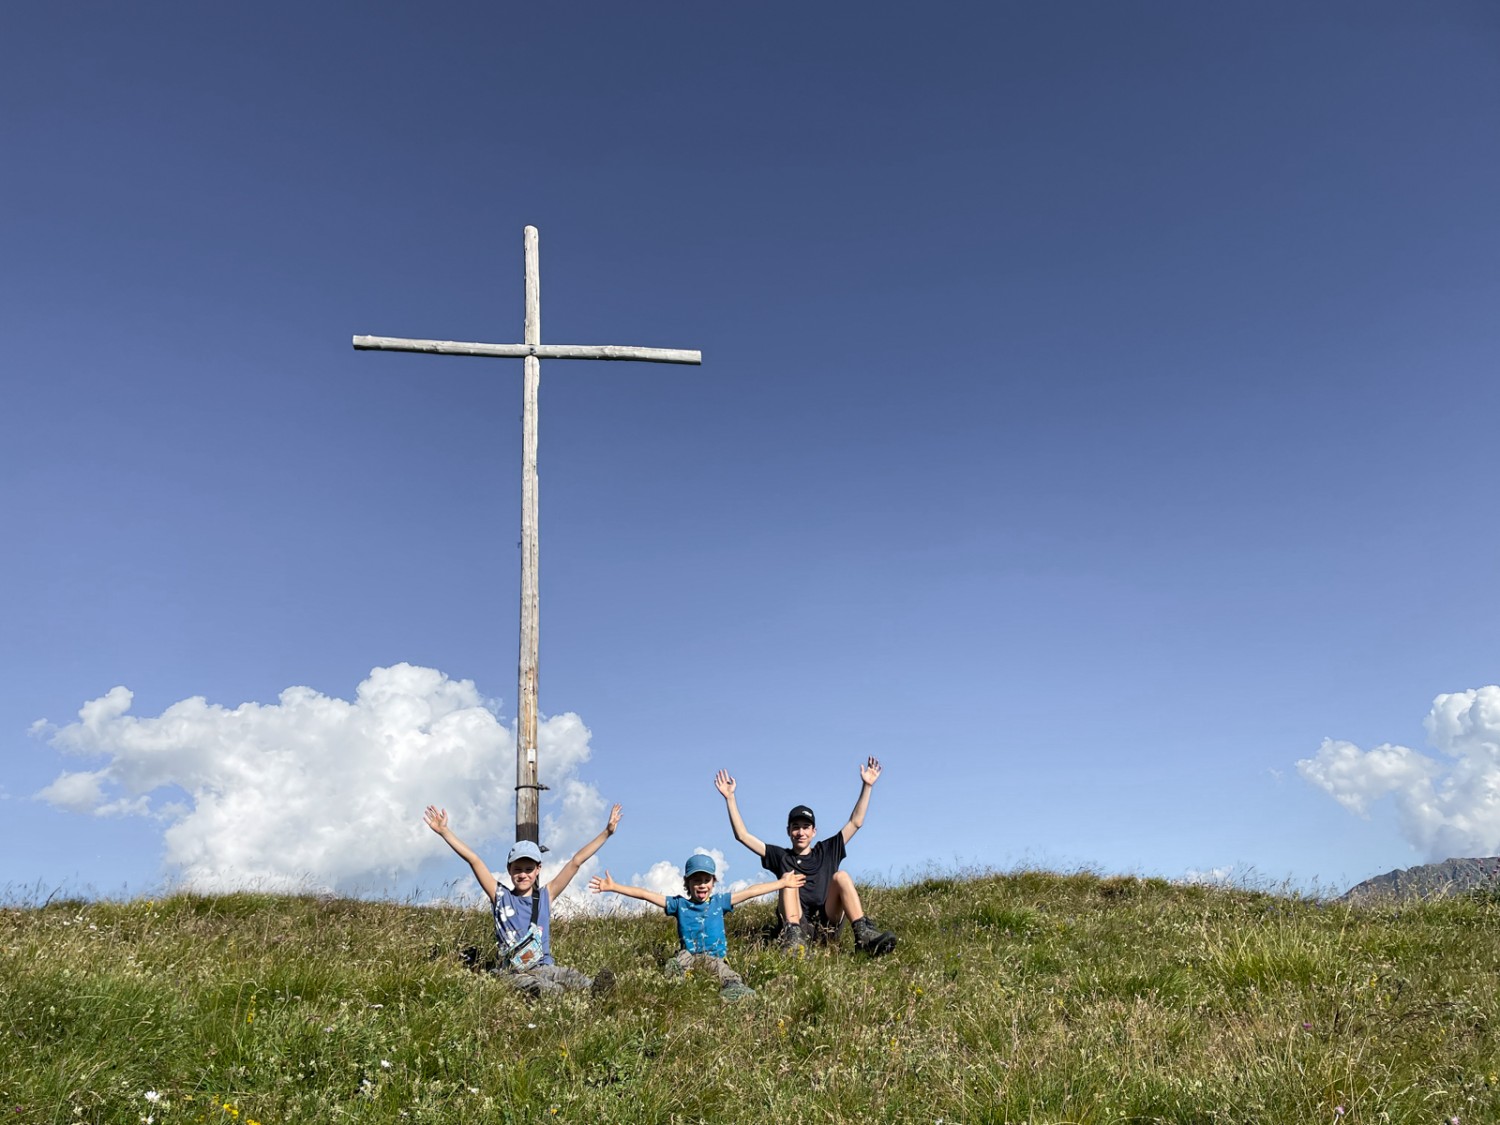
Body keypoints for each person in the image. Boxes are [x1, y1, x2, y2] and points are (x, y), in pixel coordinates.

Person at [423, 803, 622, 997]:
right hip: (512, 971)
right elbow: (474, 860)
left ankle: (598, 993)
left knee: (573, 977)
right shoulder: (500, 896)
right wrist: (445, 832)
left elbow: (576, 861)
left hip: (544, 965)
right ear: (509, 870)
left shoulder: (546, 895)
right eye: (517, 869)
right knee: (542, 988)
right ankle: (554, 995)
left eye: (528, 869)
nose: (523, 875)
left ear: (538, 870)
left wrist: (607, 832)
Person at [715, 758, 897, 956]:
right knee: (788, 879)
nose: (800, 832)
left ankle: (863, 935)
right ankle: (793, 940)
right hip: (799, 925)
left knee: (841, 876)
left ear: (814, 832)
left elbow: (855, 822)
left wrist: (867, 786)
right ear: (788, 831)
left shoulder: (827, 850)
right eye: (795, 828)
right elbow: (743, 836)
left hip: (829, 924)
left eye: (805, 827)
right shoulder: (781, 856)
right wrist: (730, 799)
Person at [588, 855, 805, 1001]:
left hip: (714, 957)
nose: (702, 884)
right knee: (680, 960)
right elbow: (646, 894)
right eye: (696, 880)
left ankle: (735, 990)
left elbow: (751, 892)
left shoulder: (719, 902)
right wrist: (615, 887)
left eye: (706, 880)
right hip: (689, 955)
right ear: (688, 884)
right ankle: (676, 977)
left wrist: (782, 884)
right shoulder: (679, 904)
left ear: (713, 882)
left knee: (723, 971)